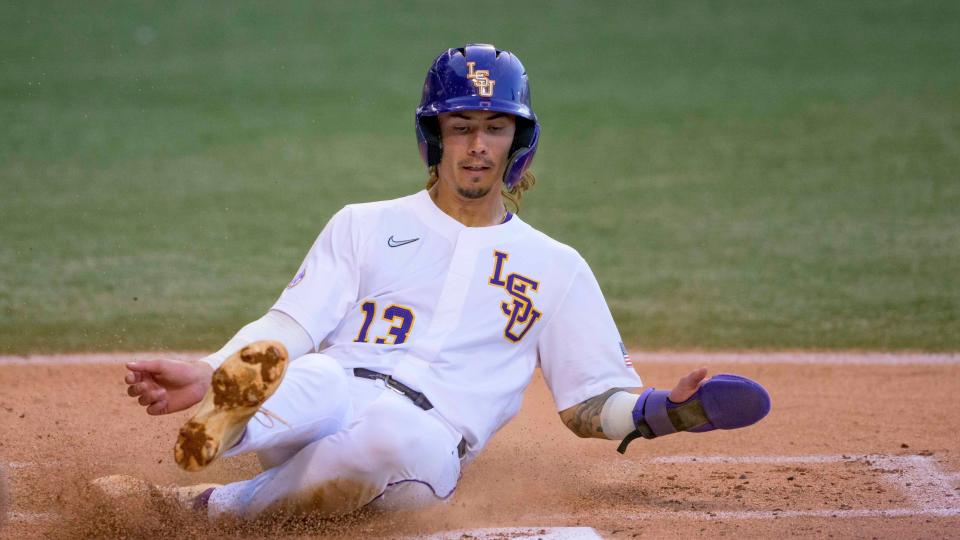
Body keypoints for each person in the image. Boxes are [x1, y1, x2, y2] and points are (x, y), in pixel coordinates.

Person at [98, 44, 770, 519]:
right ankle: (227, 416)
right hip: (328, 399)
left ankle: (206, 509)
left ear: (518, 139)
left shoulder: (557, 267)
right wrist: (209, 367)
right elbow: (290, 327)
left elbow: (589, 405)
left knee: (388, 433)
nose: (478, 144)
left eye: (494, 126)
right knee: (314, 373)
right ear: (436, 135)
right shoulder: (363, 223)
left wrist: (667, 412)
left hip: (426, 442)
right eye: (462, 126)